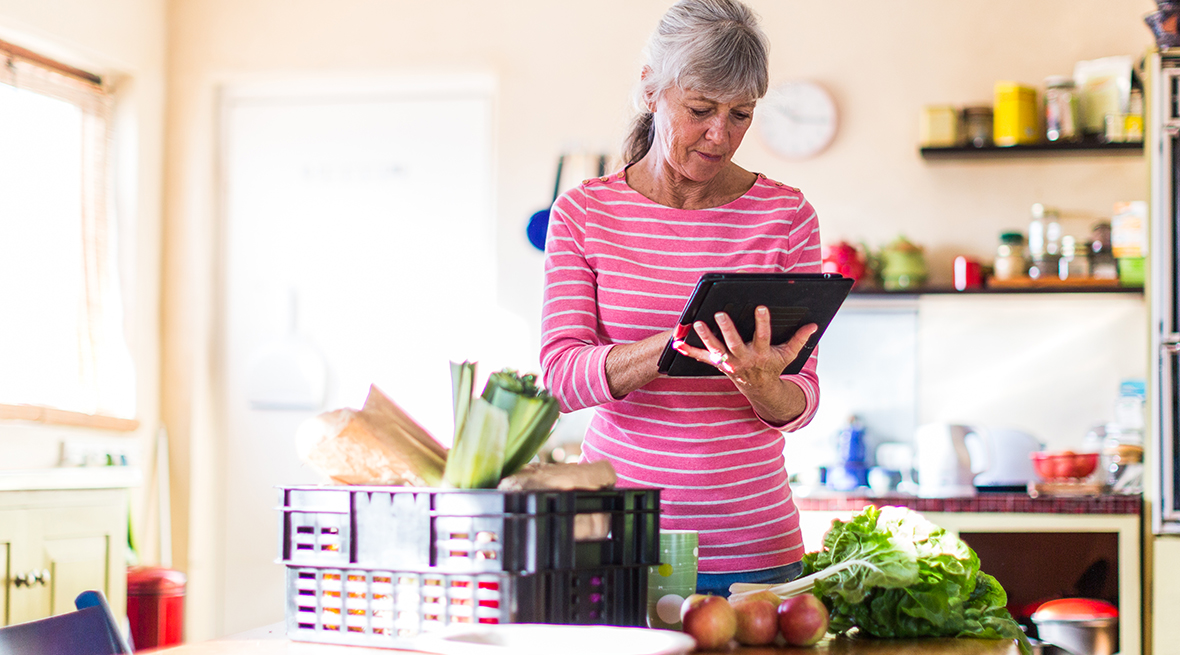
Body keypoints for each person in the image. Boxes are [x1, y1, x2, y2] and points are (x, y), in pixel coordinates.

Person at [539, 0, 822, 597]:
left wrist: (761, 382)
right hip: (624, 547)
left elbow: (803, 397)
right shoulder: (584, 213)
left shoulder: (787, 216)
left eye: (741, 114)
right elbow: (559, 380)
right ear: (650, 89)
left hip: (756, 548)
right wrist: (672, 346)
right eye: (700, 110)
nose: (720, 135)